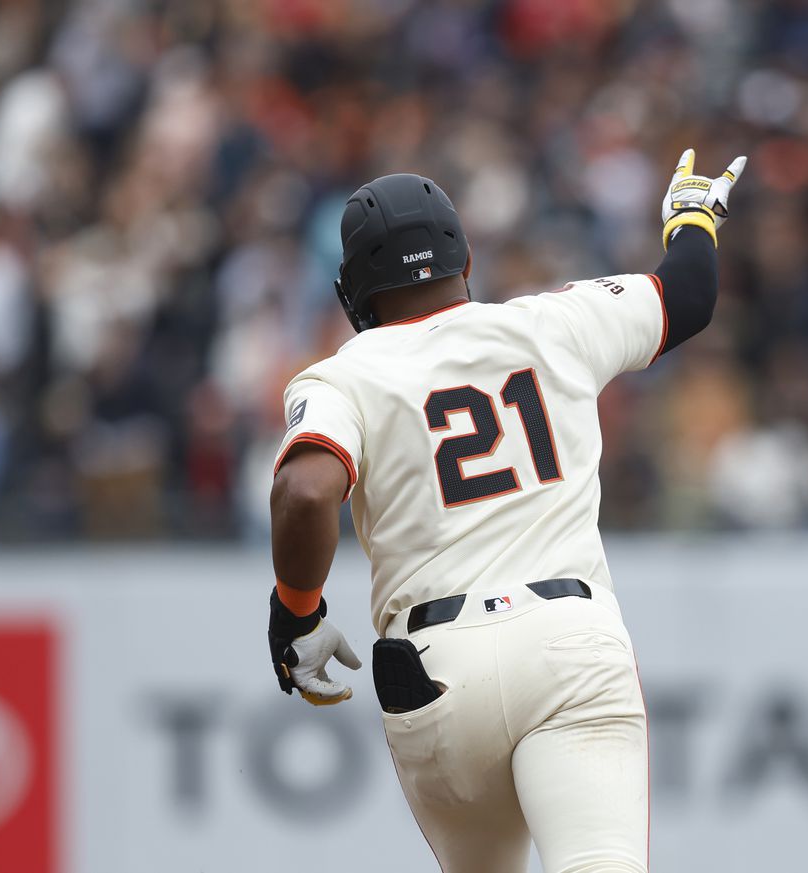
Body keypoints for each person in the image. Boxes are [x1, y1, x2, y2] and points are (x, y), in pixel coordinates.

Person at [266, 148, 745, 872]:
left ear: (353, 288)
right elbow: (690, 293)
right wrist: (692, 216)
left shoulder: (343, 373)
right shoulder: (555, 322)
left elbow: (305, 491)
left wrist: (297, 610)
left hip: (433, 664)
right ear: (462, 257)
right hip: (566, 636)